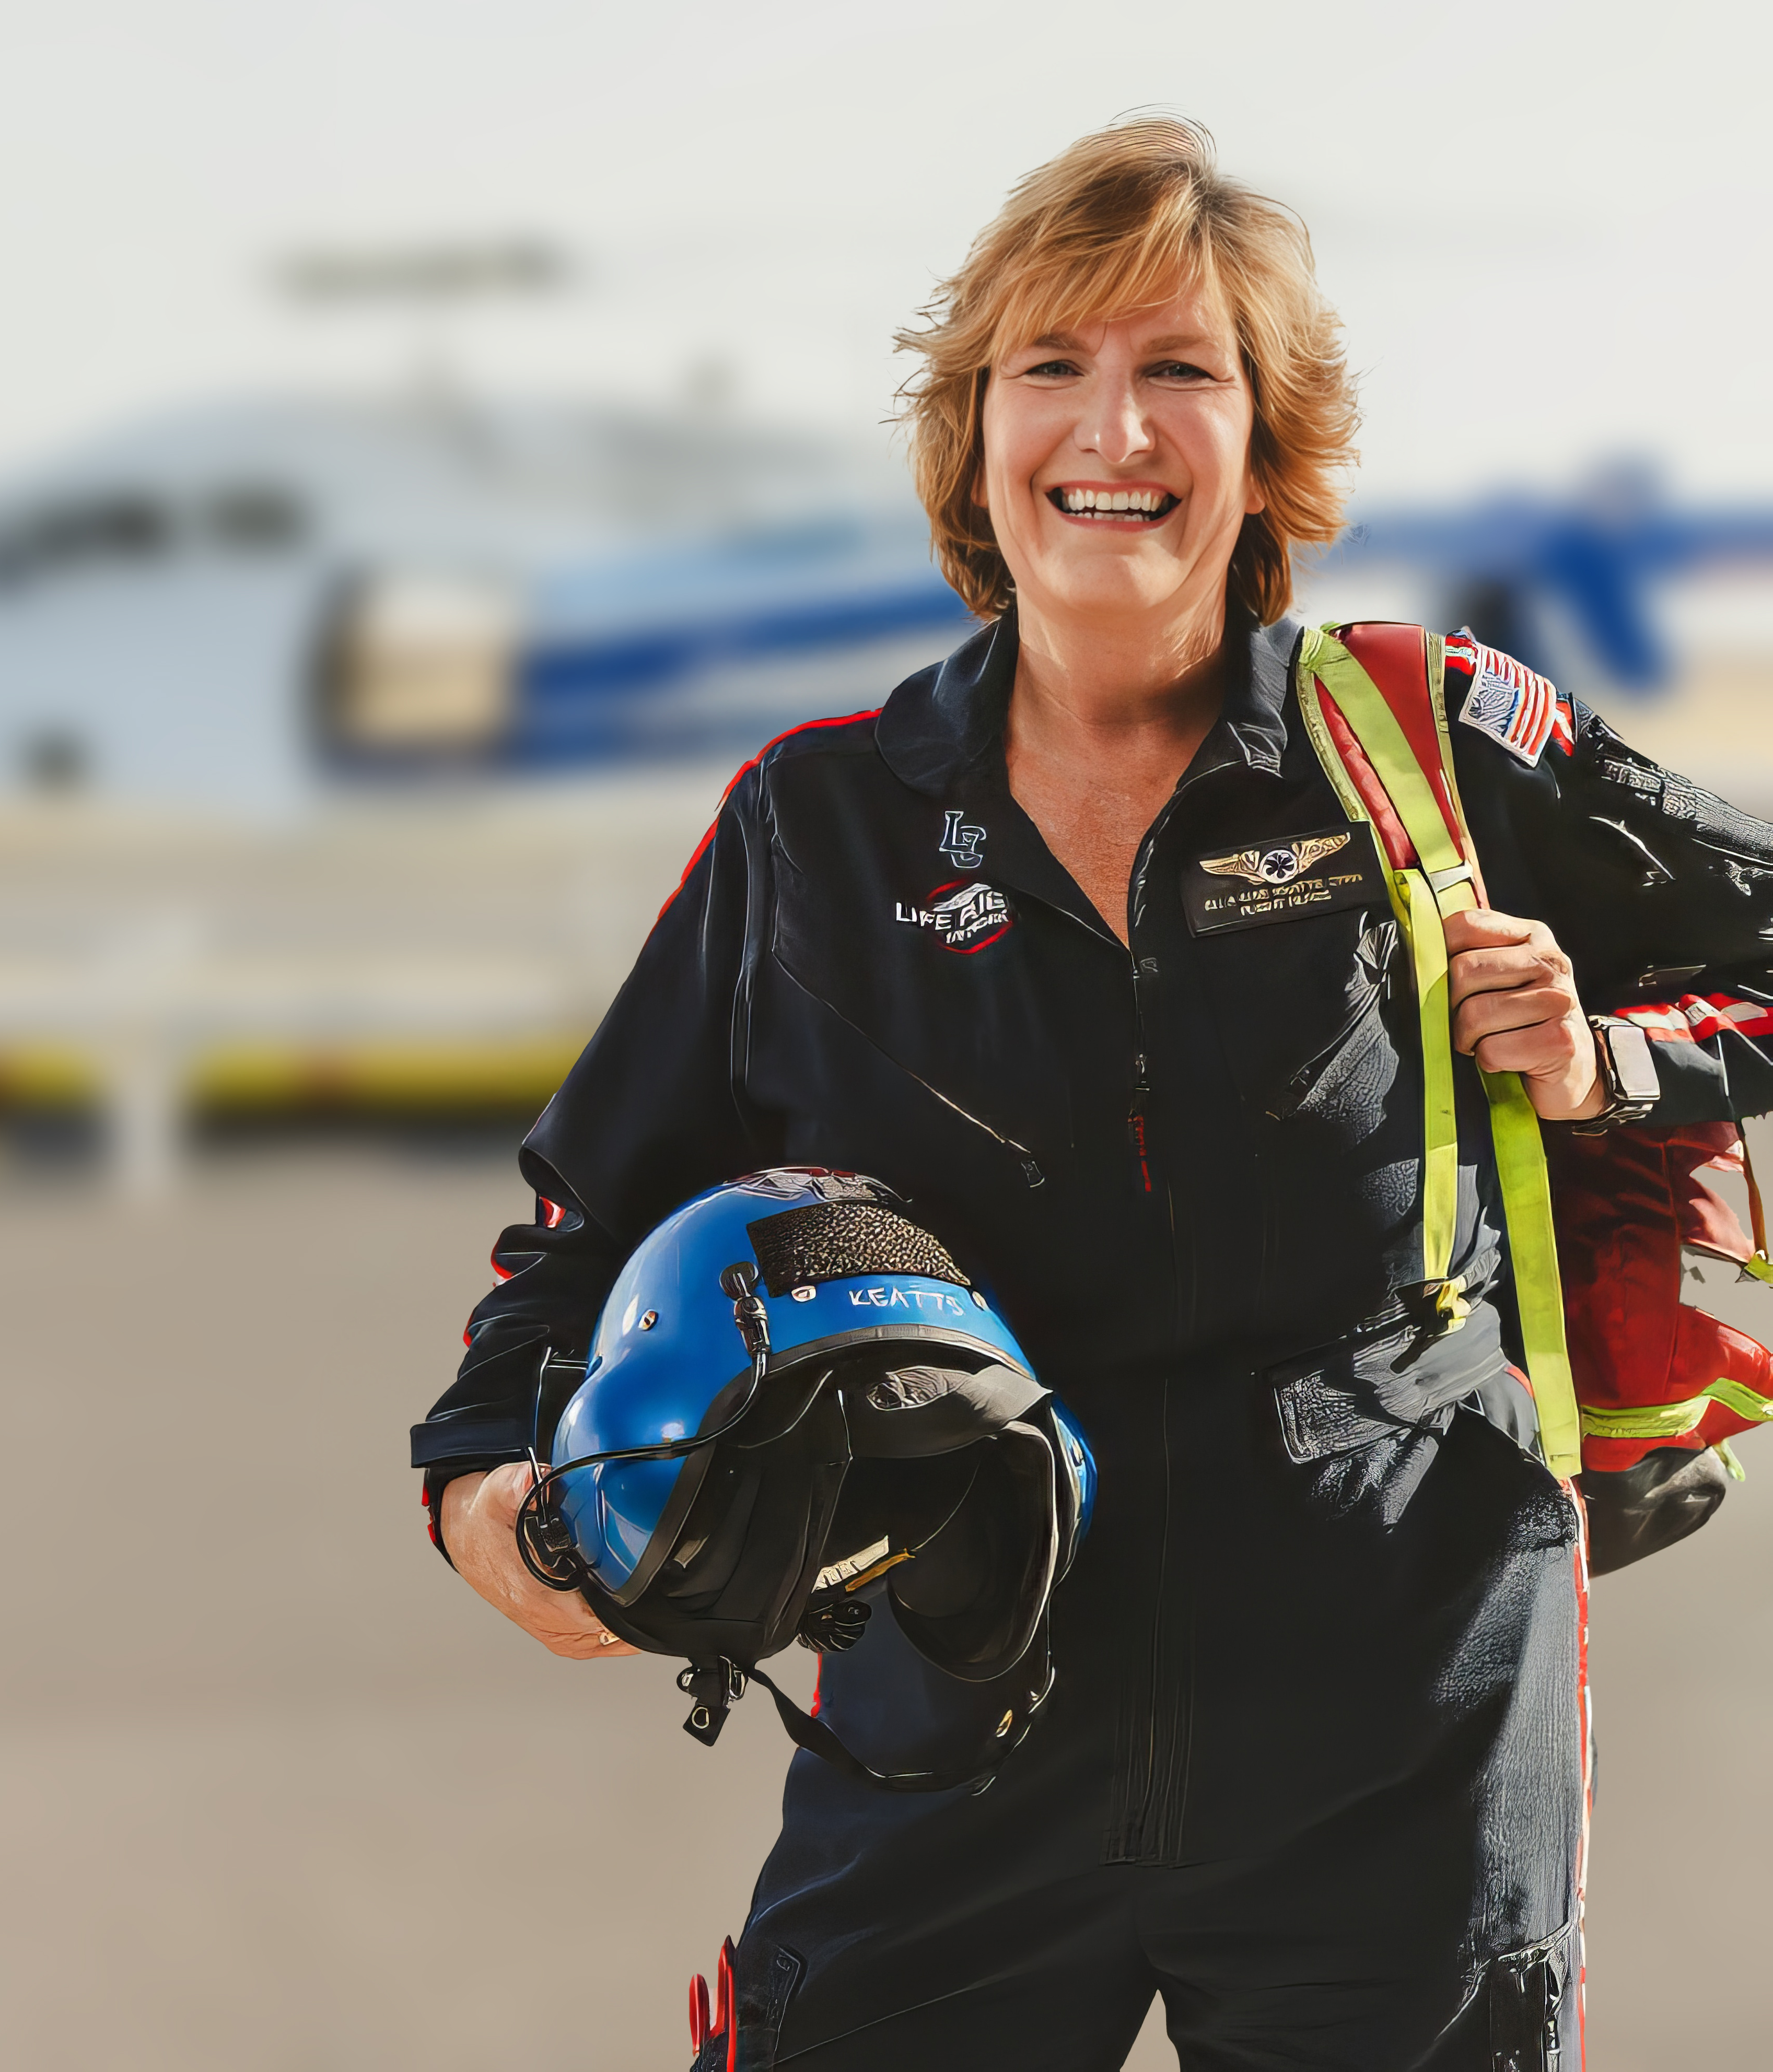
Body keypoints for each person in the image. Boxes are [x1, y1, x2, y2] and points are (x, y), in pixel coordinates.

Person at [412, 119, 1773, 2069]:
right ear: (974, 434)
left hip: (1390, 1727)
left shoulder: (1431, 741)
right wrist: (488, 1496)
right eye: (1048, 369)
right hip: (946, 1713)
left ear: (1267, 439)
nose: (1110, 430)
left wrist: (1613, 1056)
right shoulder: (817, 824)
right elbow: (581, 1226)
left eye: (1181, 371)